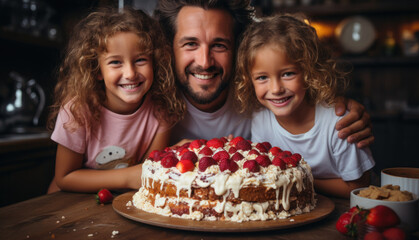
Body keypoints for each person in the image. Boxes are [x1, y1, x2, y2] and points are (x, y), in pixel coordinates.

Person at [154, 0, 374, 148]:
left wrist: (339, 110)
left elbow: (312, 107)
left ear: (240, 48)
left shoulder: (263, 92)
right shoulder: (150, 99)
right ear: (169, 47)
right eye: (191, 44)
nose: (205, 62)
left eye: (219, 45)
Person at [234, 14, 375, 198]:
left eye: (288, 74)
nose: (276, 89)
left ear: (310, 72)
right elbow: (265, 173)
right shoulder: (260, 118)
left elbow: (359, 187)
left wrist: (299, 177)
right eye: (262, 77)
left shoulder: (339, 122)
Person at [46, 7, 185, 193]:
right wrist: (128, 178)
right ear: (96, 70)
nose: (130, 73)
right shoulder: (77, 110)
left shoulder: (161, 110)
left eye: (140, 60)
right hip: (65, 205)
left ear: (155, 63)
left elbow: (148, 170)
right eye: (115, 62)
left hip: (115, 206)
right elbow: (65, 178)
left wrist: (174, 153)